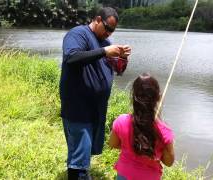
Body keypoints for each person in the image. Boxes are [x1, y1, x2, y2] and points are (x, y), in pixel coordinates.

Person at [59, 7, 131, 180]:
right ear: (98, 19)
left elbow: (118, 70)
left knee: (84, 151)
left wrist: (123, 58)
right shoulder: (78, 34)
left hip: (96, 109)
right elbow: (72, 58)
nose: (109, 33)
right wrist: (104, 51)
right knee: (79, 157)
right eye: (107, 28)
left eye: (112, 30)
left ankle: (82, 172)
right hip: (78, 108)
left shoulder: (106, 43)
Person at [109, 73, 175, 180]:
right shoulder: (164, 130)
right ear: (158, 97)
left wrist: (133, 146)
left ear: (133, 97)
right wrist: (151, 150)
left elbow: (112, 144)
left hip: (124, 175)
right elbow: (169, 162)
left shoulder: (121, 121)